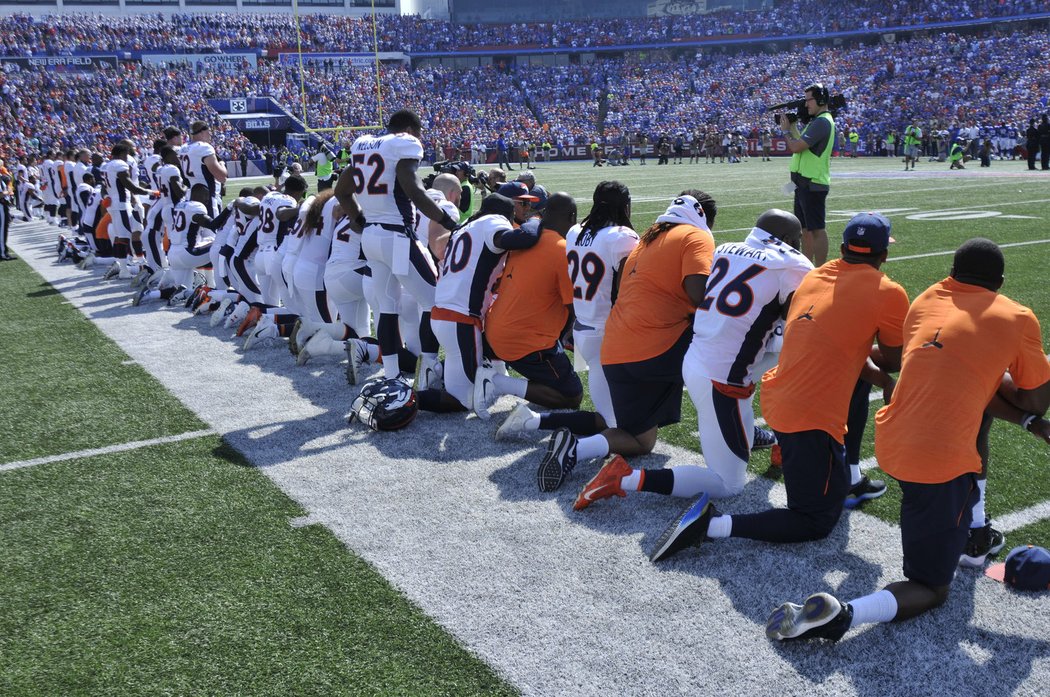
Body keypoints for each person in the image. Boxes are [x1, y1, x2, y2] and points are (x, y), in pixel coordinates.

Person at [767, 238, 1050, 643]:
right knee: (931, 586)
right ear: (1000, 282)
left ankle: (970, 535)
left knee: (950, 467)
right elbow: (1036, 397)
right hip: (937, 458)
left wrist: (1023, 419)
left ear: (952, 271)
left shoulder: (927, 298)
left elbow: (972, 383)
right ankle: (844, 614)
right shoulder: (1017, 316)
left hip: (893, 443)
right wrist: (1029, 404)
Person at [648, 212, 909, 563]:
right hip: (807, 414)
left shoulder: (814, 276)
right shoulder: (887, 291)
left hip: (773, 393)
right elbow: (893, 356)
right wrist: (893, 371)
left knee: (828, 490)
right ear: (883, 255)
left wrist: (879, 377)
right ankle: (713, 526)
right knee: (815, 520)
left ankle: (806, 460)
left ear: (844, 246)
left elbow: (835, 344)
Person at [573, 209, 812, 511]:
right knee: (728, 484)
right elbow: (800, 317)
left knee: (771, 358)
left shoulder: (726, 249)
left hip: (699, 358)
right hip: (721, 377)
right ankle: (625, 478)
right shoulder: (793, 264)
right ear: (790, 239)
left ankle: (773, 439)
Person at [534, 192, 716, 493]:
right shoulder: (689, 237)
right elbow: (699, 295)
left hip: (604, 338)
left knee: (637, 438)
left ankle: (573, 447)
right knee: (722, 356)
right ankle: (745, 432)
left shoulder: (642, 237)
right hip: (642, 345)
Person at [496, 182, 636, 438]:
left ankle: (536, 421)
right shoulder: (620, 237)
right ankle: (534, 420)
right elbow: (628, 288)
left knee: (610, 417)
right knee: (614, 422)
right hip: (606, 330)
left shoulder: (572, 233)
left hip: (581, 328)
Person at [334, 109, 459, 386]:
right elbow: (414, 189)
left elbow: (341, 191)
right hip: (397, 238)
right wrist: (447, 220)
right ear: (410, 131)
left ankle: (391, 375)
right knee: (434, 301)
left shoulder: (363, 145)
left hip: (371, 238)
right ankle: (428, 367)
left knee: (386, 308)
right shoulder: (404, 143)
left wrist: (359, 218)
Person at [782, 84, 835, 265]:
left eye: (809, 100)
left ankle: (819, 270)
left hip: (813, 183)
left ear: (820, 99)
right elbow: (800, 145)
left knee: (817, 230)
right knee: (805, 230)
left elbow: (795, 146)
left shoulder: (822, 121)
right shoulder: (816, 121)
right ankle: (808, 267)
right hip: (803, 182)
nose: (805, 105)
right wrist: (793, 126)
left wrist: (786, 130)